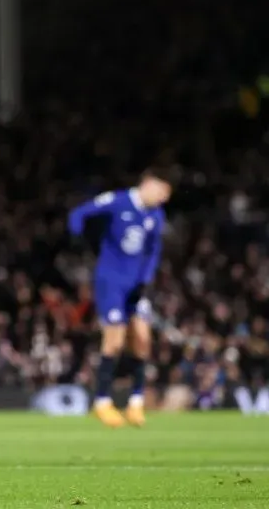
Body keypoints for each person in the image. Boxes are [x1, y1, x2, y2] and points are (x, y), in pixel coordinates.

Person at [68, 169, 173, 428]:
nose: (162, 199)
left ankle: (135, 403)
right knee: (114, 341)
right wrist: (77, 236)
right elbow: (79, 213)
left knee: (143, 340)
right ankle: (102, 402)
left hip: (135, 287)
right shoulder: (117, 201)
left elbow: (153, 252)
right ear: (147, 184)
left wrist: (145, 280)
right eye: (160, 193)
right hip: (111, 282)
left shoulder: (155, 215)